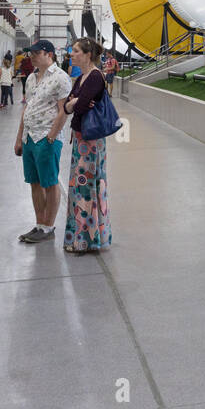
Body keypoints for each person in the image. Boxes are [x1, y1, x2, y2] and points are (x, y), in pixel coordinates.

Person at [12, 40, 72, 243]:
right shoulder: (30, 78)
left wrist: (52, 136)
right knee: (35, 182)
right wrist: (19, 138)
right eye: (31, 53)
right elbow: (27, 108)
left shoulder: (61, 78)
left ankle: (48, 226)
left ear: (49, 55)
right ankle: (39, 224)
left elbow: (64, 110)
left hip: (46, 137)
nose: (32, 57)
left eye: (36, 53)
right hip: (29, 137)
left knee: (50, 182)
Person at [61, 38, 111, 253]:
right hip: (81, 139)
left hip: (91, 141)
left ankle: (87, 239)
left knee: (87, 187)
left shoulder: (95, 77)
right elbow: (68, 106)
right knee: (80, 186)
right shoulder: (81, 77)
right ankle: (81, 237)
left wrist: (75, 103)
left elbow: (79, 105)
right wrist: (74, 103)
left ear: (88, 55)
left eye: (76, 51)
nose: (72, 54)